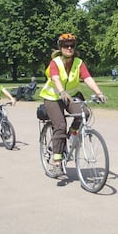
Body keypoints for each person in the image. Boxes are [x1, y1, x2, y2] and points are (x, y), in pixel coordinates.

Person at [39, 33, 107, 176]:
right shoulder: (55, 63)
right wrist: (62, 91)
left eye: (72, 45)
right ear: (60, 47)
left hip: (71, 96)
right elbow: (56, 78)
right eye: (65, 46)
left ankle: (71, 135)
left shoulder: (78, 62)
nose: (69, 48)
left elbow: (87, 78)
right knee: (60, 126)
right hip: (53, 97)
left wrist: (99, 93)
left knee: (85, 113)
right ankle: (57, 162)